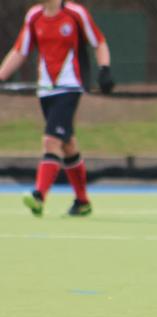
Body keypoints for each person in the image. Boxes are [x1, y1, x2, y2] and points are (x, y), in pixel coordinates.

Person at [0, 0, 114, 217]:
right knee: (67, 144)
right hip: (45, 91)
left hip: (69, 88)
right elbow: (20, 51)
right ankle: (82, 202)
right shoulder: (34, 16)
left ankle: (39, 197)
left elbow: (98, 42)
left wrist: (105, 69)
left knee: (51, 141)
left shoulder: (75, 13)